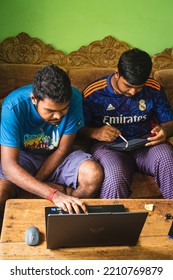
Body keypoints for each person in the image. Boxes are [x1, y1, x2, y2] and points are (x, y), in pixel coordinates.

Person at [0, 65, 104, 221]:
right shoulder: (12, 106)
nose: (58, 116)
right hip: (24, 156)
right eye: (50, 110)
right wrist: (52, 193)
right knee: (1, 191)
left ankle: (68, 226)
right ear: (34, 99)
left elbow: (63, 149)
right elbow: (9, 166)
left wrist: (36, 186)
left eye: (64, 109)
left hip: (59, 155)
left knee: (93, 174)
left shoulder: (74, 97)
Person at [79, 48, 173, 199]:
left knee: (167, 158)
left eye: (139, 87)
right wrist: (95, 132)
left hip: (145, 144)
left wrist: (165, 131)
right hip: (109, 148)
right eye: (128, 86)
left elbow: (169, 122)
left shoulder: (153, 88)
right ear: (117, 73)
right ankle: (112, 222)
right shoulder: (94, 93)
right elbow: (75, 128)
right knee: (115, 174)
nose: (133, 92)